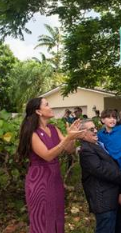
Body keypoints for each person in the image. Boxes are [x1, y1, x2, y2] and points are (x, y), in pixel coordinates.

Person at [17, 97, 84, 233]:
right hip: (39, 180)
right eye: (47, 105)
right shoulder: (32, 133)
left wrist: (72, 137)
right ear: (38, 111)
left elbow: (69, 149)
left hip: (55, 180)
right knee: (42, 220)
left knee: (57, 217)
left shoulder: (53, 129)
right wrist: (67, 138)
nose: (50, 107)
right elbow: (48, 155)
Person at [77, 119, 121, 233]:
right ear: (82, 134)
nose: (95, 131)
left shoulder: (100, 144)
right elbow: (102, 171)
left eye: (95, 128)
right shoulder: (86, 150)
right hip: (105, 202)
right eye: (91, 129)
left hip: (116, 197)